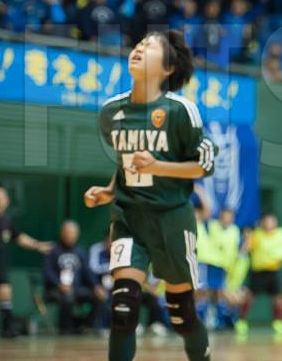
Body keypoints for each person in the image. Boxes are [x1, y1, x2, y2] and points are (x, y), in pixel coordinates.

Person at [83, 28, 219, 361]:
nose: (138, 49)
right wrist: (108, 190)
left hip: (172, 219)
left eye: (150, 46)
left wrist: (158, 166)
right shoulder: (111, 112)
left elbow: (204, 165)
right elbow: (125, 164)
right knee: (123, 308)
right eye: (138, 44)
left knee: (182, 315)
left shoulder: (180, 111)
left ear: (169, 69)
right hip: (128, 218)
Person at [0, 185, 52, 338]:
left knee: (5, 292)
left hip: (0, 261)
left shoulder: (8, 220)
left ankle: (7, 329)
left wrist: (38, 245)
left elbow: (19, 237)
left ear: (7, 201)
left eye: (2, 197)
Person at [43, 220, 107, 335]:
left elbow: (88, 272)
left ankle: (86, 326)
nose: (69, 235)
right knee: (67, 297)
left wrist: (96, 286)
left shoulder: (80, 251)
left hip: (76, 288)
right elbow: (47, 272)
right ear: (62, 233)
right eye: (67, 232)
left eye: (72, 233)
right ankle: (66, 329)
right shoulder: (52, 250)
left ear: (77, 235)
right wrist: (59, 284)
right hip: (56, 289)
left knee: (99, 297)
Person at [237, 214, 282, 337]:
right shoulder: (256, 235)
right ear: (262, 222)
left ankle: (277, 322)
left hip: (273, 271)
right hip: (258, 272)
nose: (269, 223)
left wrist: (274, 256)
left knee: (278, 298)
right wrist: (246, 240)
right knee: (249, 297)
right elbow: (246, 249)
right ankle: (241, 321)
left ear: (275, 222)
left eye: (271, 221)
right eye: (266, 221)